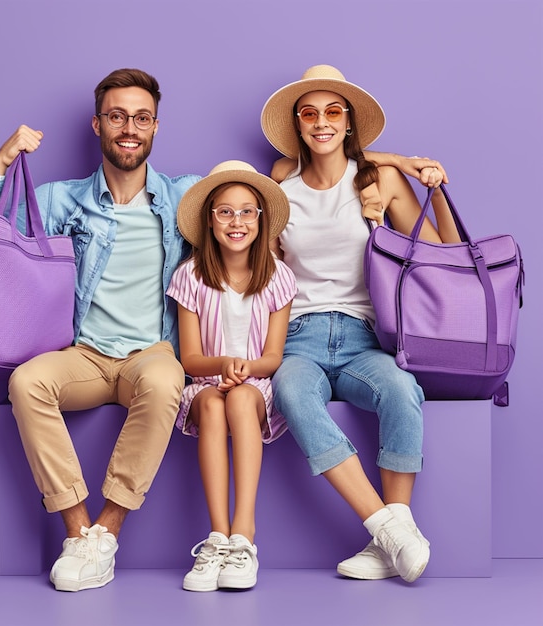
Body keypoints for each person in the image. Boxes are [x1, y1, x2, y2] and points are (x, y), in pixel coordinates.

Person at [0, 68, 201, 592]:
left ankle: (107, 532)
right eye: (117, 116)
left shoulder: (184, 199)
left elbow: (257, 206)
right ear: (97, 125)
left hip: (151, 352)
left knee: (162, 383)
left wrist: (376, 165)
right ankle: (78, 531)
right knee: (26, 382)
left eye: (140, 117)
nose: (129, 127)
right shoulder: (60, 200)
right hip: (83, 354)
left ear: (156, 126)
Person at [260, 64, 461, 583]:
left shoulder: (380, 180)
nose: (321, 122)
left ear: (349, 122)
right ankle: (389, 528)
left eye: (334, 112)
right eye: (309, 113)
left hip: (364, 336)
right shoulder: (281, 182)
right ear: (298, 124)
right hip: (298, 336)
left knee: (400, 388)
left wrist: (433, 186)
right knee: (291, 392)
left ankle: (383, 541)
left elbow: (442, 254)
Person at [166, 161, 297, 592]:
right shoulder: (190, 276)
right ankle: (217, 536)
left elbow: (274, 356)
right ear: (209, 220)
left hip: (255, 384)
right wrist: (223, 365)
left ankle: (244, 535)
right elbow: (189, 358)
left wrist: (244, 369)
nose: (236, 222)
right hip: (206, 383)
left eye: (246, 212)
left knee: (240, 400)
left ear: (260, 219)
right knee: (210, 403)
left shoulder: (278, 278)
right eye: (225, 212)